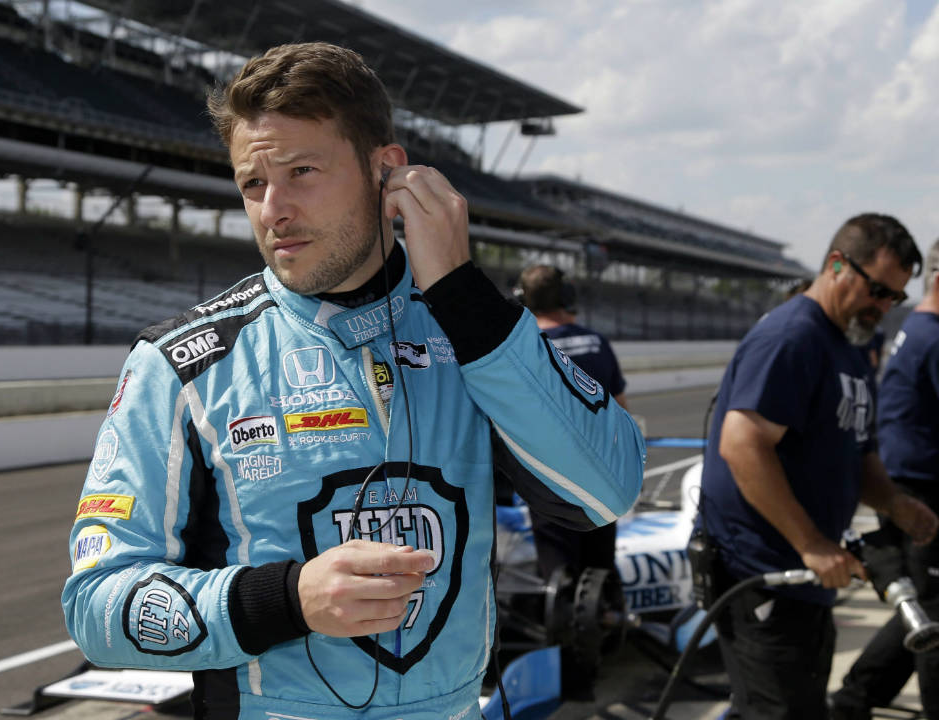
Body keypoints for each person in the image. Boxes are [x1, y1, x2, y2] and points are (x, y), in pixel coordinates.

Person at [61, 42, 646, 720]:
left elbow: (608, 489)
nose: (273, 210)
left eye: (302, 171)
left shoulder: (473, 333)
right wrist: (288, 599)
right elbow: (97, 607)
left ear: (386, 171)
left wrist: (463, 294)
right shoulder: (184, 362)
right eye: (253, 184)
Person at [697, 213, 938, 719]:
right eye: (877, 290)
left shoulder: (848, 347)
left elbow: (860, 449)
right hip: (761, 574)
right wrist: (811, 543)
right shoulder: (793, 337)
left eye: (894, 297)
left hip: (805, 581)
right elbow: (742, 446)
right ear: (835, 265)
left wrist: (894, 503)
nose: (883, 307)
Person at [505, 264, 629, 698]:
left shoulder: (525, 344)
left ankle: (569, 679)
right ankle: (599, 657)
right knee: (598, 571)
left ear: (523, 297)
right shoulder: (597, 340)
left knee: (559, 584)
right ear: (568, 295)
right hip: (601, 480)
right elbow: (620, 409)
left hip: (549, 481)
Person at [830, 238, 939, 720]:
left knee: (923, 609)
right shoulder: (932, 337)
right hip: (918, 491)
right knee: (932, 615)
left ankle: (854, 699)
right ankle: (855, 698)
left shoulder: (918, 329)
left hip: (907, 485)